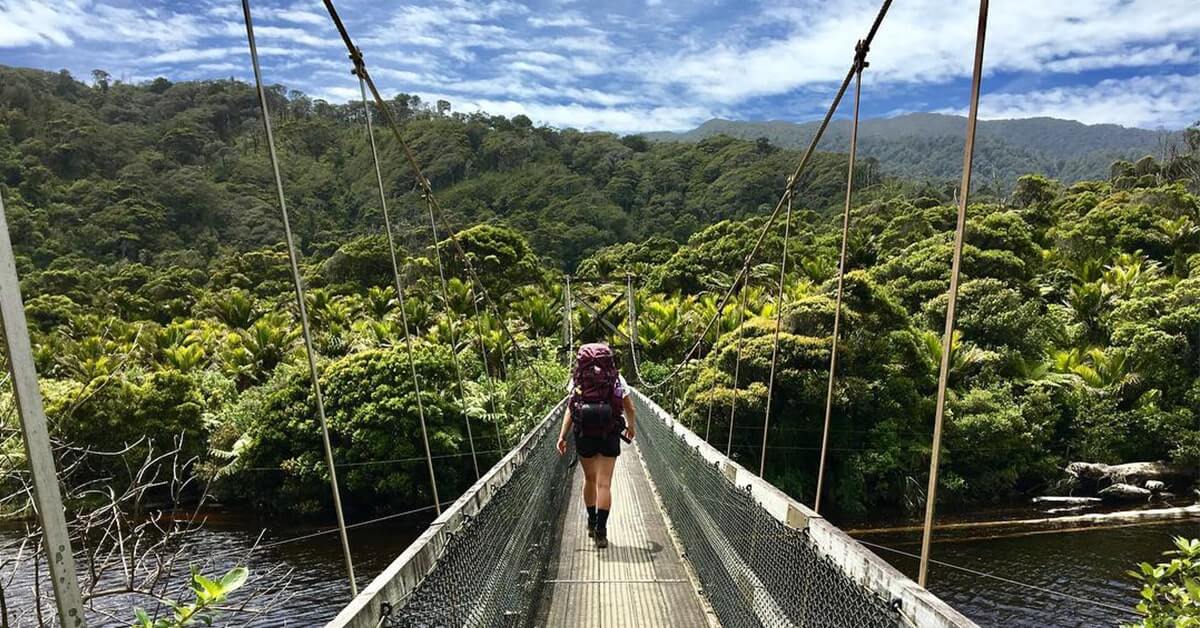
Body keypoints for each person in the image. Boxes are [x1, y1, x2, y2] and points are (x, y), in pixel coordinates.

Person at [556, 343, 636, 548]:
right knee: (604, 484)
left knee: (589, 479)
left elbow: (570, 408)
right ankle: (602, 532)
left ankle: (591, 523)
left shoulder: (578, 378)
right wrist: (631, 427)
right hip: (609, 433)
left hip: (584, 433)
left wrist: (562, 436)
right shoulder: (616, 378)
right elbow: (630, 408)